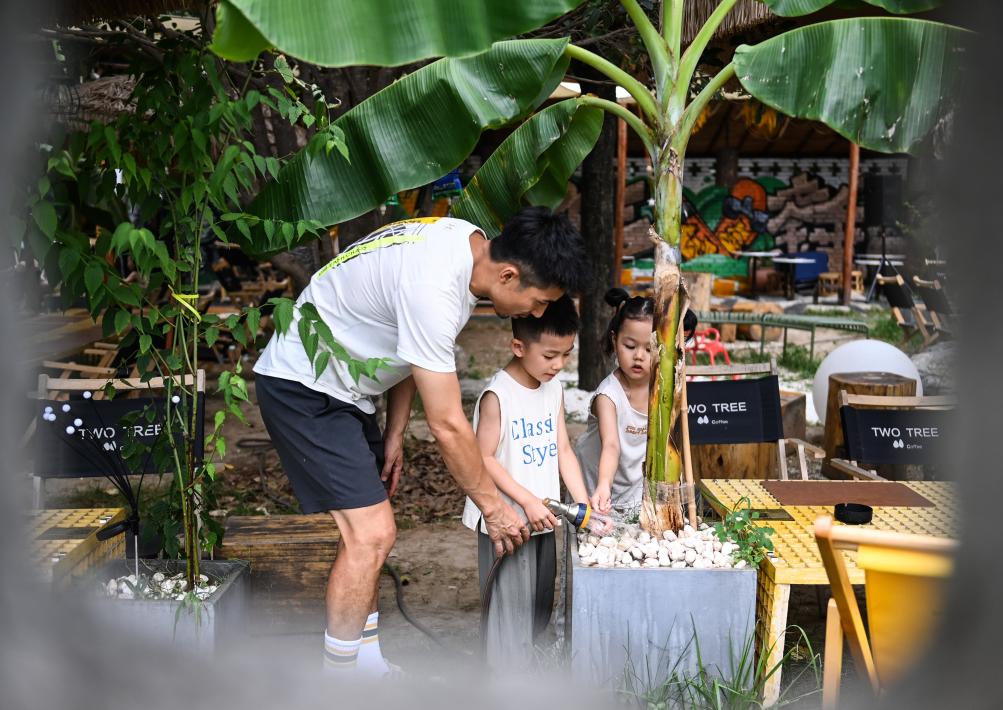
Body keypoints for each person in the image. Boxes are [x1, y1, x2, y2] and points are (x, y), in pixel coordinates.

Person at [252, 208, 588, 677]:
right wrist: (493, 509)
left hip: (349, 389)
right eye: (537, 302)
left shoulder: (464, 242)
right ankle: (339, 681)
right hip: (304, 385)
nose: (536, 314)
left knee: (367, 539)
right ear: (509, 275)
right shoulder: (435, 287)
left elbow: (413, 349)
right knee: (372, 534)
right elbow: (448, 424)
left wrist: (394, 432)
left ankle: (367, 666)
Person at [461, 295, 594, 668]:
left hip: (542, 518)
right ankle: (507, 680)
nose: (559, 364)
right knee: (510, 610)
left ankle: (525, 671)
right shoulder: (498, 395)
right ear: (518, 347)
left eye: (566, 354)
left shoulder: (553, 388)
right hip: (507, 522)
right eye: (550, 355)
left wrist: (582, 502)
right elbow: (483, 458)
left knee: (537, 604)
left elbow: (563, 448)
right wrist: (528, 500)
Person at [575, 288, 697, 515]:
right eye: (630, 346)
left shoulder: (662, 390)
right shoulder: (608, 395)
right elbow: (611, 445)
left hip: (634, 486)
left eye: (649, 348)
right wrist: (604, 485)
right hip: (597, 486)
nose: (639, 356)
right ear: (615, 340)